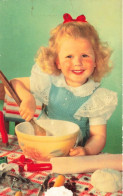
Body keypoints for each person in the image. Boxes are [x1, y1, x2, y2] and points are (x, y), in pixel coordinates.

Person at [8, 13, 117, 156]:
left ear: (97, 60)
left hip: (73, 157)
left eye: (85, 55)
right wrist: (28, 98)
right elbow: (14, 83)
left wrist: (86, 150)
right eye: (69, 56)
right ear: (57, 62)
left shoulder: (96, 97)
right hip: (44, 147)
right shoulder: (50, 81)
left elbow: (98, 136)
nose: (77, 62)